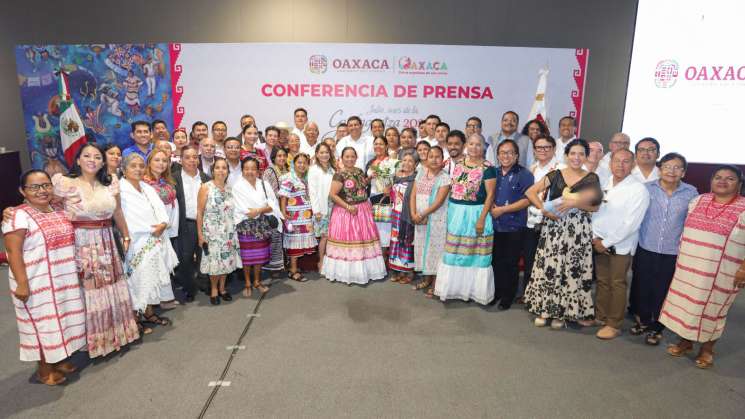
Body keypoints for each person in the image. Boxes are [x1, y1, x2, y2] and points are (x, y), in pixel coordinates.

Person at [51, 143, 140, 356]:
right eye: (87, 156)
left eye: (97, 157)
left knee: (112, 286)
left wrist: (126, 235)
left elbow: (117, 212)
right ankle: (92, 340)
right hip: (81, 244)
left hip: (108, 240)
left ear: (102, 162)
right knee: (88, 290)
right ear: (78, 160)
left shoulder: (110, 183)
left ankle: (117, 334)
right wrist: (13, 210)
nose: (92, 160)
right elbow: (45, 204)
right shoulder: (65, 183)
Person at [3, 170, 86, 385]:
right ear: (22, 191)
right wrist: (22, 284)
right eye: (34, 187)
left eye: (46, 185)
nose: (42, 191)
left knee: (63, 319)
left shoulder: (58, 209)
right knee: (43, 325)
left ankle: (59, 359)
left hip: (63, 278)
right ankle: (44, 369)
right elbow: (13, 252)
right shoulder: (18, 216)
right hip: (36, 281)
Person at [660, 165, 745, 369]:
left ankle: (707, 349)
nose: (723, 181)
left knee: (713, 310)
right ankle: (686, 342)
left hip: (721, 272)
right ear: (711, 181)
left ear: (739, 184)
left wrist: (743, 268)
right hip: (689, 267)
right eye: (718, 177)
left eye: (730, 178)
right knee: (687, 306)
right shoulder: (698, 201)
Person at [524, 139, 602, 329]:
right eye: (573, 153)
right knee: (550, 267)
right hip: (554, 227)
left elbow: (596, 206)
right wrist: (544, 209)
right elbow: (530, 192)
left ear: (585, 156)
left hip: (578, 231)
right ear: (566, 155)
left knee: (570, 270)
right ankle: (544, 310)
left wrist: (574, 203)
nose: (576, 157)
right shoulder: (555, 174)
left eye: (581, 154)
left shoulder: (592, 178)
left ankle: (562, 313)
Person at [629, 153, 698, 345]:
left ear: (683, 172)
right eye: (667, 166)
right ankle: (643, 321)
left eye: (677, 168)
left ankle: (657, 327)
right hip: (646, 246)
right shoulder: (645, 189)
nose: (671, 171)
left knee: (663, 290)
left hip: (672, 251)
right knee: (642, 286)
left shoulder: (691, 193)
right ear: (660, 169)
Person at [592, 149, 650, 339]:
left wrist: (606, 242)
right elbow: (595, 211)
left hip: (620, 245)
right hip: (599, 241)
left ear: (633, 165)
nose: (620, 165)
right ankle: (600, 316)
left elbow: (631, 224)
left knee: (617, 283)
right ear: (610, 163)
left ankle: (614, 323)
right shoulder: (605, 183)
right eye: (617, 161)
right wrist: (595, 238)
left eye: (626, 162)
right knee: (602, 281)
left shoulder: (638, 190)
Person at [434, 134, 496, 305]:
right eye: (471, 144)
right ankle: (454, 290)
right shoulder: (459, 164)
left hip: (475, 213)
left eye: (478, 144)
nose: (474, 147)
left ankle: (473, 291)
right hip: (456, 213)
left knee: (475, 254)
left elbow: (490, 195)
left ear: (484, 147)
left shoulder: (488, 168)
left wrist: (482, 219)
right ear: (466, 146)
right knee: (453, 253)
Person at [120, 153, 178, 330]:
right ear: (123, 170)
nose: (138, 169)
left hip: (156, 238)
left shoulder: (147, 187)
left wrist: (162, 223)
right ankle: (135, 319)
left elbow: (160, 209)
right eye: (133, 166)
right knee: (137, 279)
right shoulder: (120, 189)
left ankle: (149, 313)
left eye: (140, 166)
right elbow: (124, 217)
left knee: (152, 277)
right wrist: (151, 229)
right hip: (137, 242)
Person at [321, 147, 387, 285]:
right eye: (347, 156)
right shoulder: (339, 175)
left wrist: (369, 178)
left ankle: (364, 271)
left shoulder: (359, 171)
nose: (350, 159)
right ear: (342, 158)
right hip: (346, 212)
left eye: (352, 156)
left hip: (362, 210)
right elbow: (332, 195)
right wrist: (347, 207)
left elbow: (361, 186)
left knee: (363, 241)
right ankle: (347, 273)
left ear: (356, 158)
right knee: (350, 242)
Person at [490, 140, 534, 309]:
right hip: (495, 226)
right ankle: (497, 293)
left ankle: (508, 297)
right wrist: (492, 206)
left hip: (514, 226)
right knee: (496, 261)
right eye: (502, 152)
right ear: (498, 155)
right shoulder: (494, 173)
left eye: (509, 153)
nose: (505, 156)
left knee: (511, 263)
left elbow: (527, 200)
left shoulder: (525, 174)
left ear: (516, 156)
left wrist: (502, 210)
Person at [521, 135, 561, 303]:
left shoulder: (560, 169)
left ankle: (546, 297)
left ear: (553, 149)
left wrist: (545, 209)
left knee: (549, 261)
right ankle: (528, 294)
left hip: (552, 221)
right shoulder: (532, 168)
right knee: (530, 258)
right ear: (534, 150)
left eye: (546, 147)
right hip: (531, 221)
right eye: (539, 148)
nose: (543, 151)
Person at [197, 158, 241, 305]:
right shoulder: (205, 187)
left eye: (224, 168)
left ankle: (223, 289)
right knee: (214, 263)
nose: (221, 171)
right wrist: (200, 234)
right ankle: (214, 290)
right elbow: (199, 212)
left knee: (226, 261)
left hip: (228, 232)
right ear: (212, 170)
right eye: (218, 168)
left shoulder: (230, 189)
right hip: (212, 233)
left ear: (228, 171)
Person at [233, 157, 279, 297]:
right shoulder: (237, 187)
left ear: (258, 171)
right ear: (242, 171)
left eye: (253, 169)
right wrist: (261, 209)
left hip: (262, 225)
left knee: (259, 256)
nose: (250, 172)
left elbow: (272, 205)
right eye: (246, 169)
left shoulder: (264, 184)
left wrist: (259, 210)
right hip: (245, 226)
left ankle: (257, 282)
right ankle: (247, 283)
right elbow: (244, 209)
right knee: (247, 257)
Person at [172, 146, 211, 303]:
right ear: (181, 160)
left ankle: (204, 283)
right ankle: (189, 288)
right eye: (187, 157)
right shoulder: (173, 178)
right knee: (185, 258)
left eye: (195, 157)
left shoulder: (206, 178)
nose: (192, 160)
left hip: (204, 223)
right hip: (185, 224)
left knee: (205, 255)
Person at [411, 146, 451, 298]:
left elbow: (438, 202)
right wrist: (414, 213)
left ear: (443, 160)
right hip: (420, 219)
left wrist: (422, 214)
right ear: (426, 159)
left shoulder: (445, 178)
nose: (434, 159)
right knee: (423, 249)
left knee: (436, 251)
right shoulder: (421, 172)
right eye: (431, 156)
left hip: (436, 220)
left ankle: (436, 284)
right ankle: (426, 279)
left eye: (437, 156)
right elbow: (413, 194)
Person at [143, 149, 180, 305]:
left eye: (164, 161)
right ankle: (150, 304)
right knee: (152, 267)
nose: (161, 164)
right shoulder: (142, 183)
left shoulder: (167, 183)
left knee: (163, 265)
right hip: (151, 231)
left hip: (164, 229)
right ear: (149, 162)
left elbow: (172, 207)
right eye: (157, 160)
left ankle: (163, 299)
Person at [279, 153, 317, 281]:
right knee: (294, 243)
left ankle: (294, 267)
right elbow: (283, 196)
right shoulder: (289, 178)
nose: (302, 165)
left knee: (300, 243)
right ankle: (293, 270)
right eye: (299, 162)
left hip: (305, 216)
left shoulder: (305, 178)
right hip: (294, 216)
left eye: (304, 163)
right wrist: (283, 213)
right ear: (293, 164)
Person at [388, 151, 418, 284]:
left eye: (410, 161)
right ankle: (398, 269)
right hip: (395, 214)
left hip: (408, 214)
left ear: (416, 164)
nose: (406, 163)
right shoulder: (396, 176)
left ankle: (409, 270)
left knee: (407, 240)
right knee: (396, 240)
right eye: (404, 160)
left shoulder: (416, 178)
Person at [262, 147, 290, 274]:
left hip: (288, 206)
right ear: (273, 157)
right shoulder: (269, 171)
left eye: (284, 155)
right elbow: (266, 192)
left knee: (286, 236)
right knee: (275, 237)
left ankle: (284, 264)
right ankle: (273, 267)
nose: (282, 158)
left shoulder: (288, 170)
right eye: (279, 155)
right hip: (274, 208)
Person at [308, 142, 336, 272]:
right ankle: (321, 261)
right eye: (321, 152)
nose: (324, 155)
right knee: (324, 236)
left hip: (335, 207)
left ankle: (331, 261)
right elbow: (312, 192)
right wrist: (316, 210)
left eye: (326, 152)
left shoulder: (333, 169)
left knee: (332, 236)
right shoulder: (313, 169)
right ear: (317, 155)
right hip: (322, 208)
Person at [366, 136, 397, 249]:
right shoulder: (370, 162)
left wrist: (389, 187)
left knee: (384, 232)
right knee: (373, 232)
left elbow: (397, 178)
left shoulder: (392, 161)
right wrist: (369, 178)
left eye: (381, 144)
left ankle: (384, 259)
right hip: (371, 199)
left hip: (385, 198)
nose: (378, 146)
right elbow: (366, 182)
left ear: (386, 146)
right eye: (376, 144)